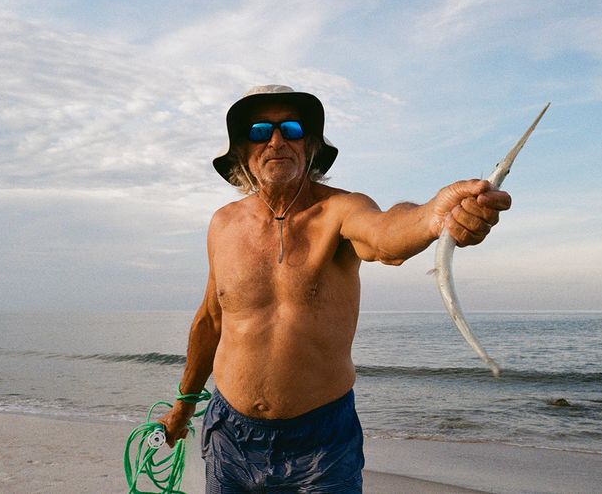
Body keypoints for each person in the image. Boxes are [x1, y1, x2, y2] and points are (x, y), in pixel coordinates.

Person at [158, 85, 512, 493]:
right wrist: (183, 407)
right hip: (229, 439)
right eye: (260, 131)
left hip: (321, 446)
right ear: (242, 150)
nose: (276, 141)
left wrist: (435, 216)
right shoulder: (222, 224)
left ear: (309, 146)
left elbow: (386, 235)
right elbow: (210, 319)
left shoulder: (341, 211)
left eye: (290, 129)